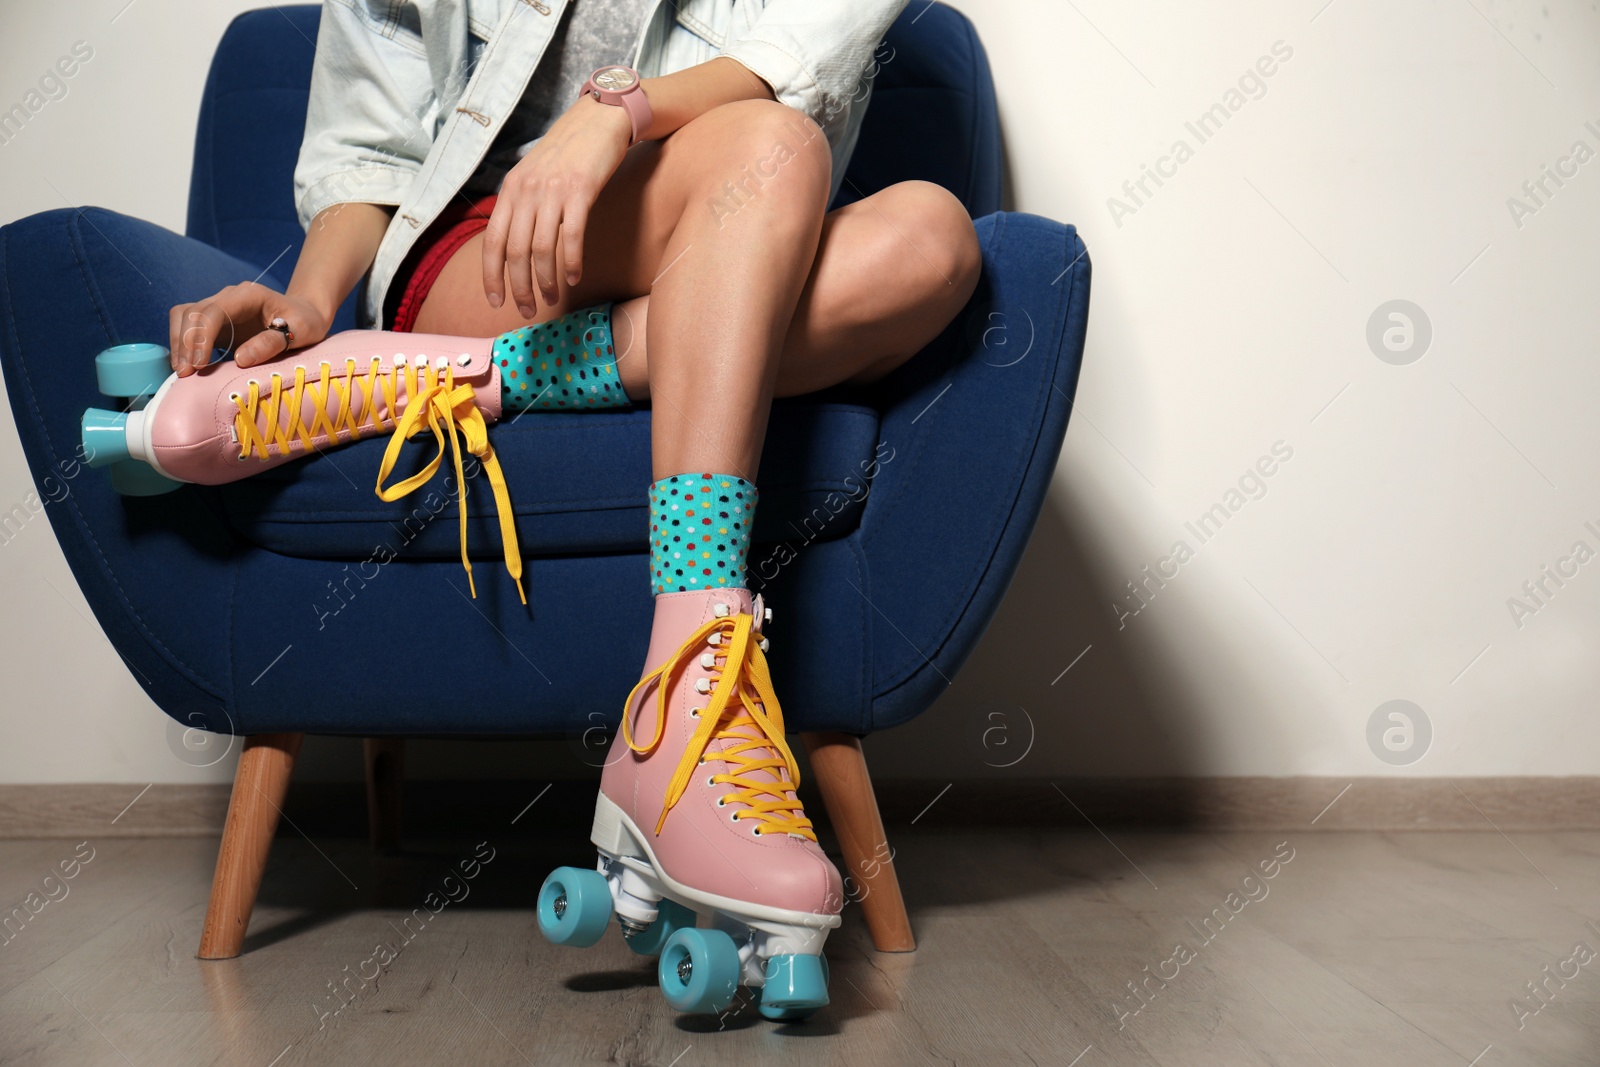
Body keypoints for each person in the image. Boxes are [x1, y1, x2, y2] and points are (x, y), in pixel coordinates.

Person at [166, 0, 980, 1015]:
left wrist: (617, 114)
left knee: (931, 242)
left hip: (718, 206)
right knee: (771, 151)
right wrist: (306, 301)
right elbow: (368, 147)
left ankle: (476, 377)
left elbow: (799, 58)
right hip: (494, 243)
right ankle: (689, 690)